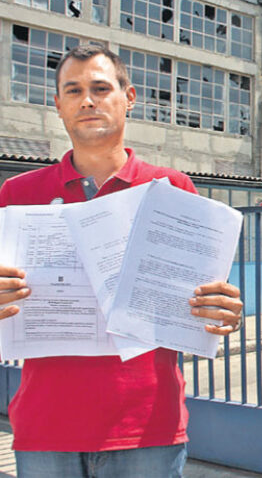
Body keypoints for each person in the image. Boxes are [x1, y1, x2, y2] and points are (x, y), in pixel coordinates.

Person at [0, 44, 243, 477]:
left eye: (100, 88)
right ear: (58, 104)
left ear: (128, 97)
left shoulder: (171, 188)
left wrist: (220, 310)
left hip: (146, 429)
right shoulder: (17, 195)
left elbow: (201, 301)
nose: (87, 101)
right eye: (73, 90)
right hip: (45, 427)